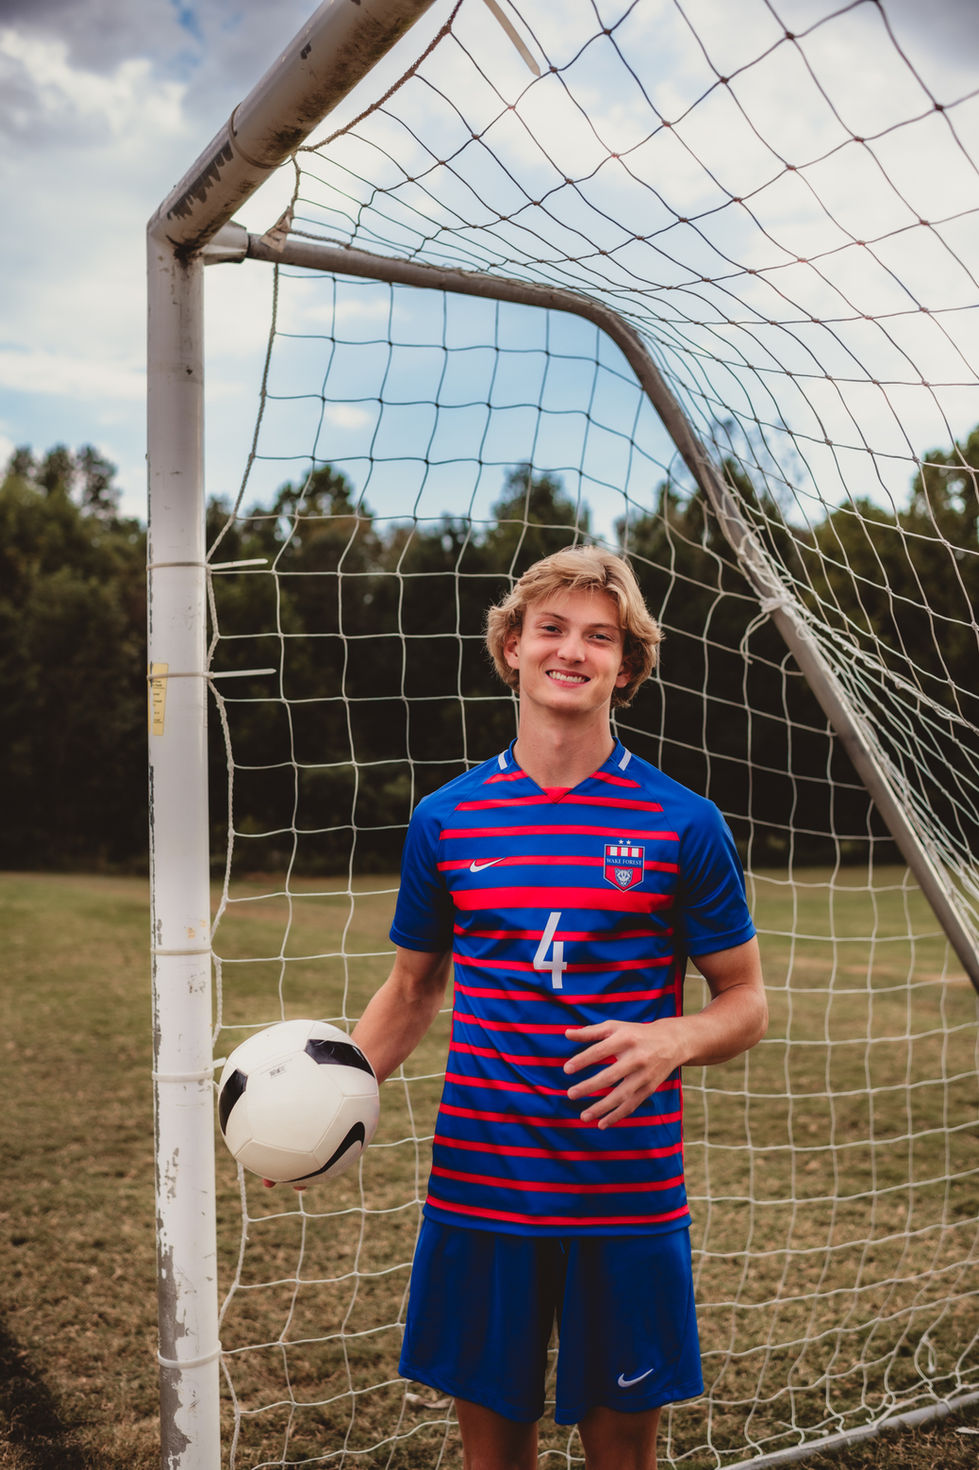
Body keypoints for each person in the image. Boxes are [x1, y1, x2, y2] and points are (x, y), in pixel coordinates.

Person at [351, 545, 768, 1470]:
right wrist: (324, 1101)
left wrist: (673, 1038)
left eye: (599, 636)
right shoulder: (447, 819)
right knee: (493, 1454)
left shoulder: (681, 822)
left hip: (625, 1191)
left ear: (626, 667)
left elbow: (742, 1001)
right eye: (551, 629)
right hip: (482, 1184)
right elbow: (412, 990)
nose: (571, 650)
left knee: (621, 1453)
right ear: (511, 646)